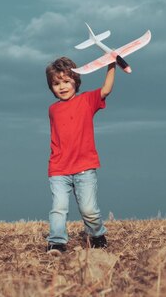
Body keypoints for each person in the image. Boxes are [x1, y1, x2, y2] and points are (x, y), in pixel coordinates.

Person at [44, 56, 115, 253]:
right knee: (58, 208)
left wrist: (111, 64)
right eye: (56, 83)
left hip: (84, 168)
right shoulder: (53, 109)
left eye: (67, 81)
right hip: (59, 168)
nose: (62, 86)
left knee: (89, 210)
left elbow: (106, 89)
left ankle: (97, 234)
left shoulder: (87, 101)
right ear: (51, 87)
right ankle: (56, 242)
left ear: (76, 80)